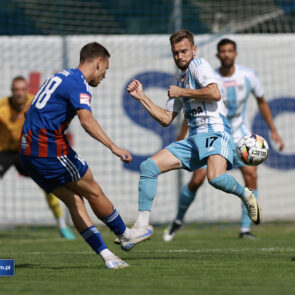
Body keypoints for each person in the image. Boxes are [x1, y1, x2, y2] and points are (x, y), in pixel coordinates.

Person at [19, 42, 153, 269]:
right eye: (105, 70)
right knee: (92, 189)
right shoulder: (79, 83)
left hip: (27, 152)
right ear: (98, 62)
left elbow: (26, 110)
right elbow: (87, 120)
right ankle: (126, 235)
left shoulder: (59, 76)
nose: (104, 75)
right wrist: (114, 147)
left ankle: (109, 257)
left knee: (75, 201)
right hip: (49, 150)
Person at [125, 30, 261, 245]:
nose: (180, 56)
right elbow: (166, 118)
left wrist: (182, 93)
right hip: (193, 139)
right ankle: (142, 227)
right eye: (175, 53)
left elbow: (214, 93)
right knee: (148, 168)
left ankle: (246, 195)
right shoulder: (180, 78)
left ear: (194, 50)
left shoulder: (199, 65)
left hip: (214, 131)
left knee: (215, 178)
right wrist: (142, 97)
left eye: (184, 51)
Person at [163, 38, 284, 242]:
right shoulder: (208, 75)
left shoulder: (248, 76)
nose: (227, 54)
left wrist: (274, 131)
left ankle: (245, 229)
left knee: (251, 175)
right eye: (223, 51)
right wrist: (182, 135)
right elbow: (193, 108)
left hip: (240, 136)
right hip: (212, 133)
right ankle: (178, 220)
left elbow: (262, 102)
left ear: (235, 54)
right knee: (198, 179)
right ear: (218, 55)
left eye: (230, 51)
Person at [0, 76, 75, 239]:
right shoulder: (2, 107)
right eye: (16, 90)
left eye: (22, 89)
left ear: (26, 90)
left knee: (48, 183)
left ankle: (62, 225)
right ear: (11, 91)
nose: (19, 93)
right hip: (4, 152)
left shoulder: (35, 103)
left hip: (26, 150)